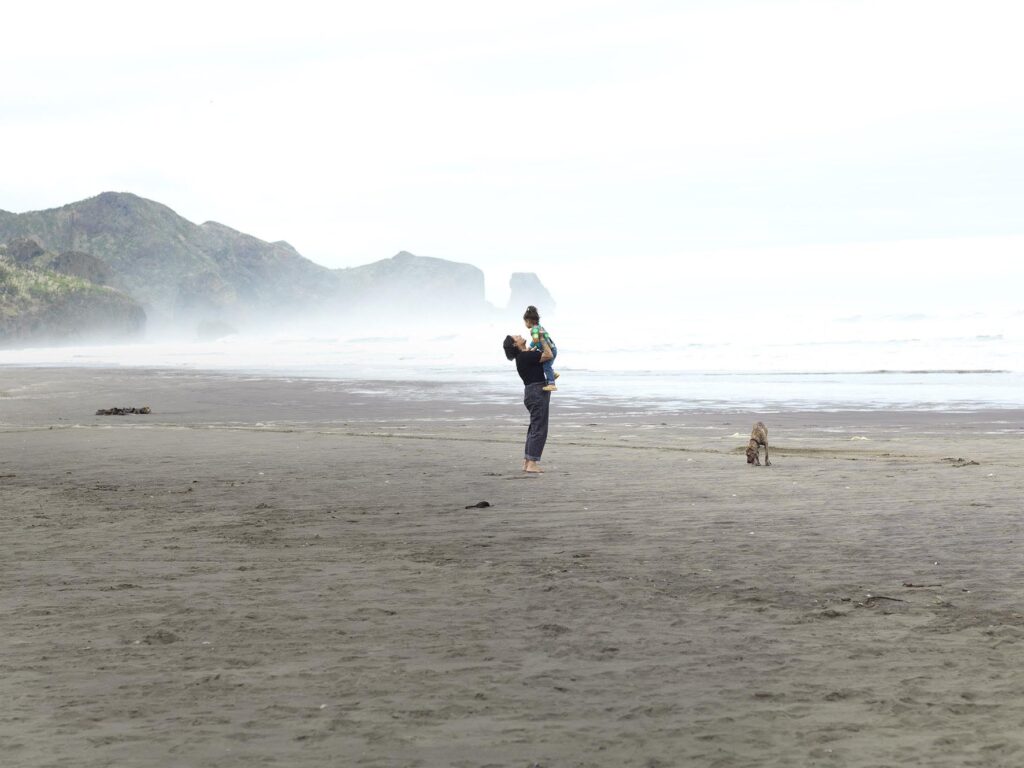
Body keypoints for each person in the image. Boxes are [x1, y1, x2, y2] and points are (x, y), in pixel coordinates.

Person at [503, 333, 553, 473]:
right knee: (539, 428)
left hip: (531, 392)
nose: (519, 335)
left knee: (534, 427)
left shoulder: (524, 356)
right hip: (537, 392)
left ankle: (527, 462)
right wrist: (542, 338)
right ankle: (531, 463)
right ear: (515, 344)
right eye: (516, 337)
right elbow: (549, 355)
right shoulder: (525, 356)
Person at [522, 305, 558, 392]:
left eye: (525, 322)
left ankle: (552, 384)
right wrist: (534, 348)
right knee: (546, 366)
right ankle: (553, 374)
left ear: (529, 321)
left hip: (550, 350)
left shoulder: (534, 330)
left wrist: (530, 347)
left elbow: (535, 340)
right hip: (553, 348)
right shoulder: (539, 326)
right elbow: (539, 342)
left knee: (546, 366)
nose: (525, 324)